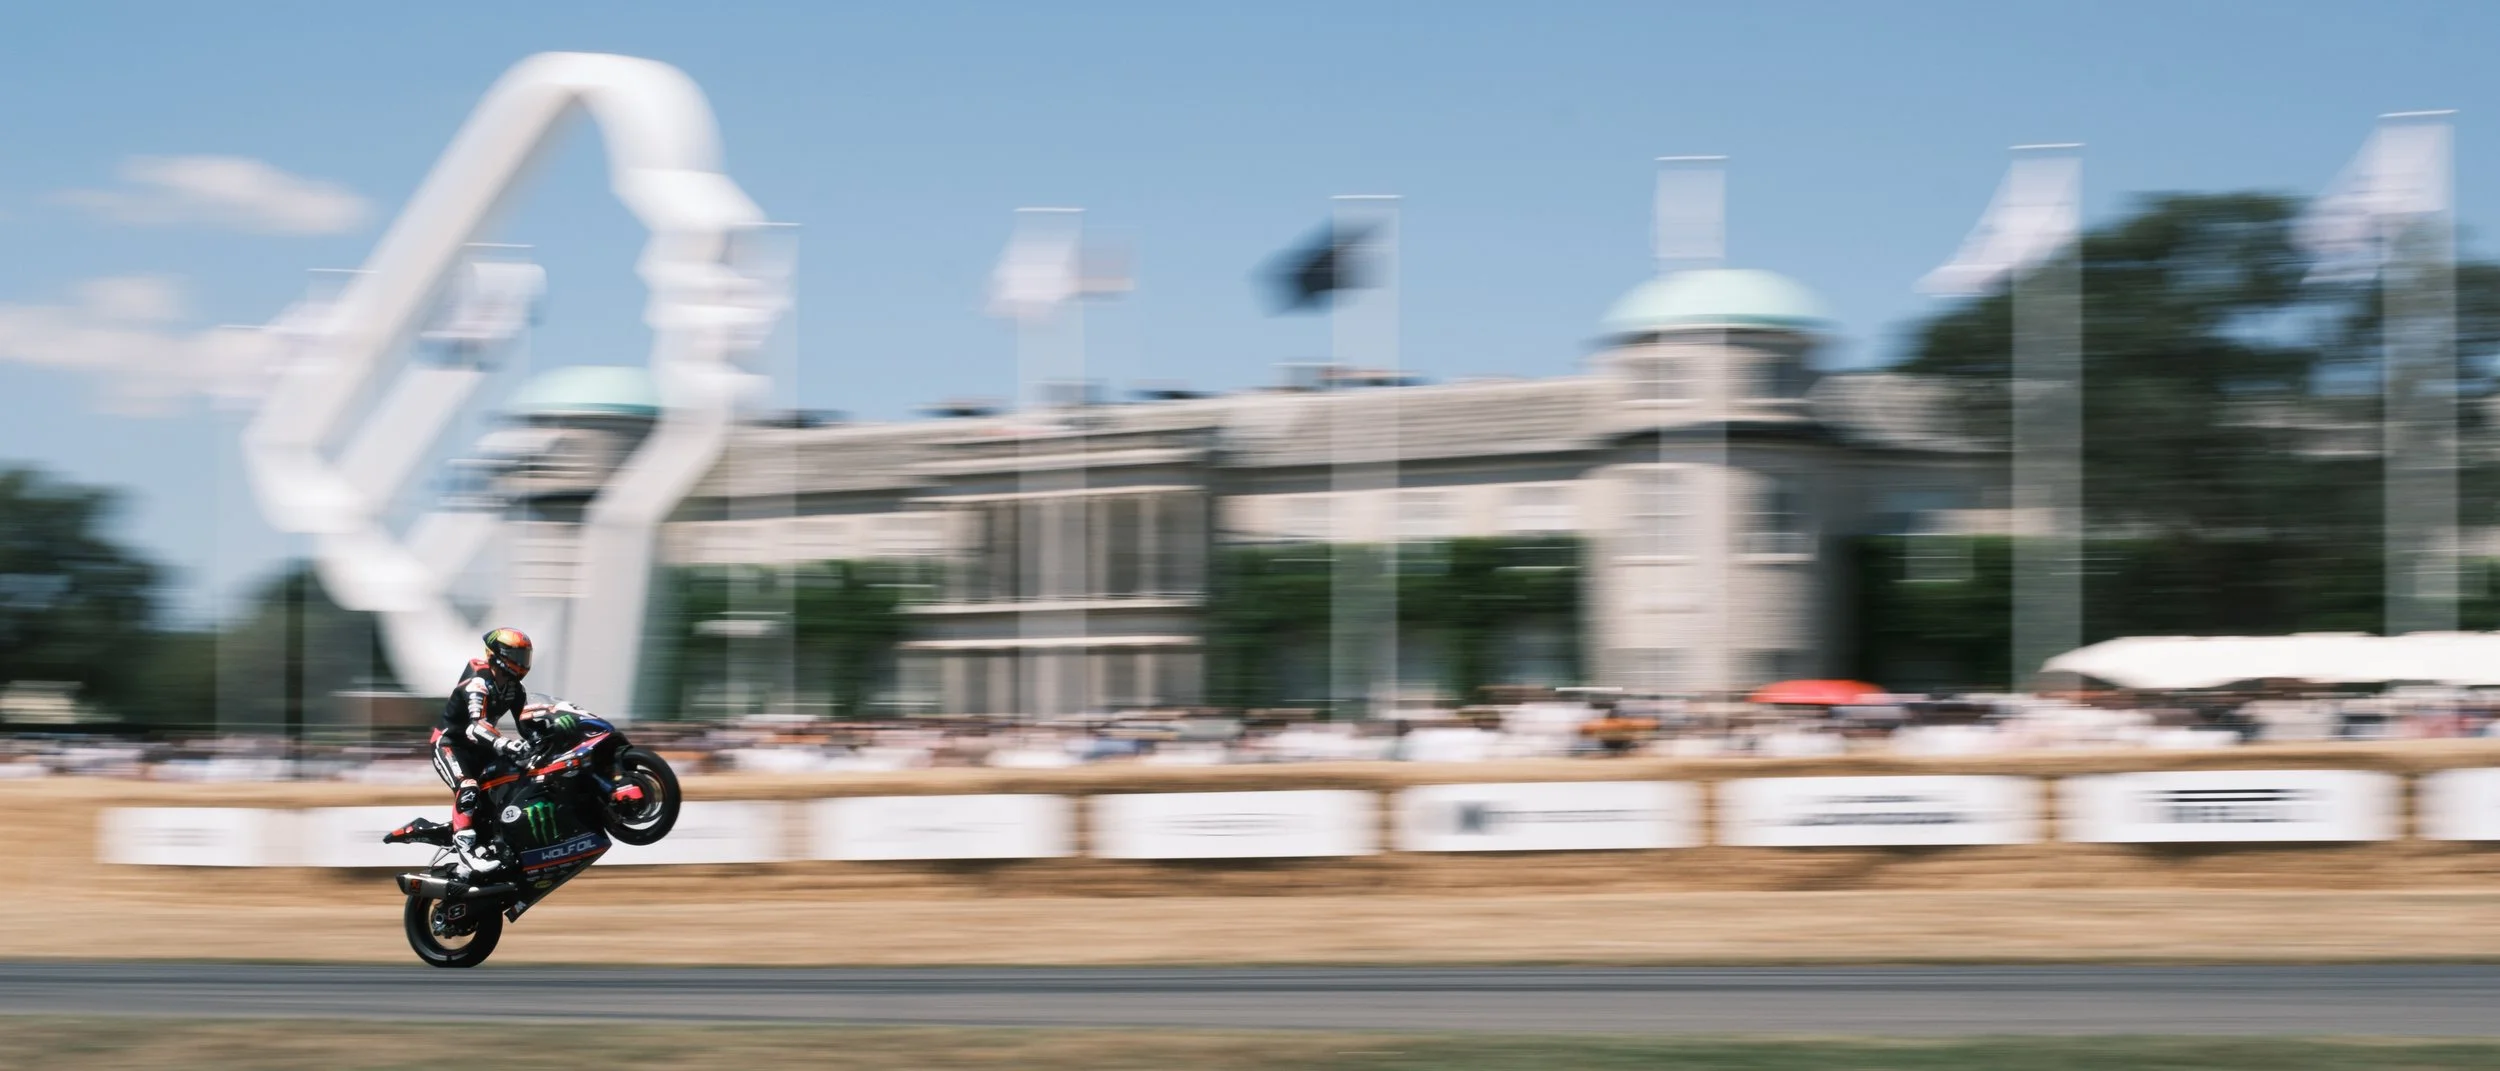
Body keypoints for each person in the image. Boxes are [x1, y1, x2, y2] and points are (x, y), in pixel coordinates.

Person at [431, 628, 536, 876]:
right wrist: (505, 744)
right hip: (450, 745)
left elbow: (527, 727)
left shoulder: (515, 690)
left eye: (525, 656)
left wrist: (550, 734)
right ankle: (466, 853)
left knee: (517, 777)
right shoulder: (478, 683)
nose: (522, 663)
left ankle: (499, 837)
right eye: (516, 655)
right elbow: (474, 727)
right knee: (468, 788)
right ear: (498, 655)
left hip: (481, 748)